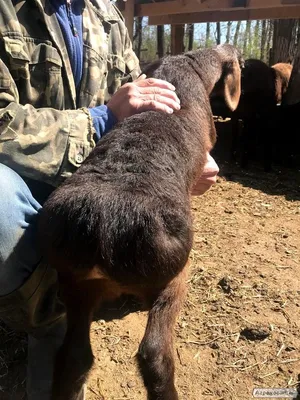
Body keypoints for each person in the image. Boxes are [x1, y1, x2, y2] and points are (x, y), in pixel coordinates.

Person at [0, 1, 219, 398]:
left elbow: (148, 98)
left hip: (100, 186)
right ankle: (50, 313)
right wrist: (99, 120)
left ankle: (78, 292)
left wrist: (191, 156)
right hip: (23, 179)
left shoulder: (107, 14)